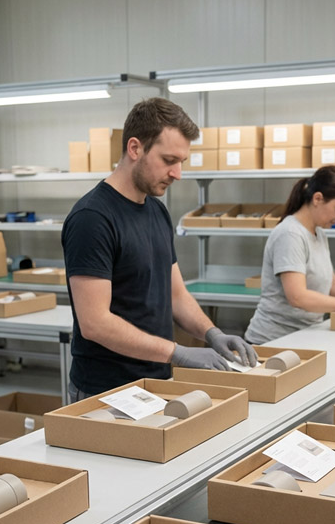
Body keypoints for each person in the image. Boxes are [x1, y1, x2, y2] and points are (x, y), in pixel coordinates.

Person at [61, 97, 256, 401]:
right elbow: (95, 323)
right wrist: (177, 352)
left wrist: (211, 333)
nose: (178, 174)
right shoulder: (93, 218)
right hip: (105, 391)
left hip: (155, 382)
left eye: (182, 162)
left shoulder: (156, 211)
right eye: (169, 161)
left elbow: (176, 295)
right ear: (135, 148)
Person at [244, 165, 335, 344]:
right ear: (318, 198)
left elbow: (332, 284)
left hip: (303, 336)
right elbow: (298, 296)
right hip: (272, 341)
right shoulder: (290, 234)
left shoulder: (319, 233)